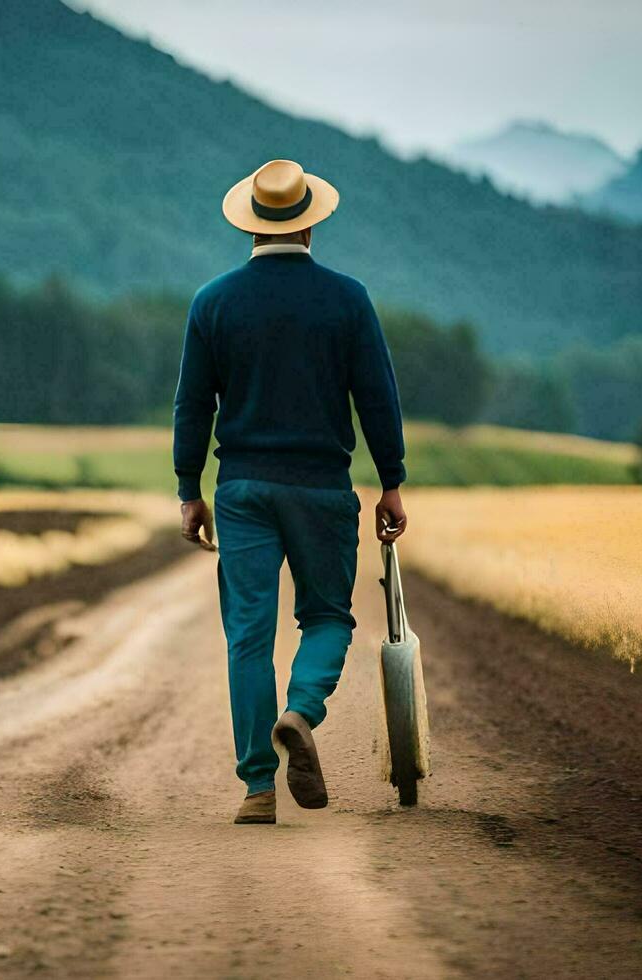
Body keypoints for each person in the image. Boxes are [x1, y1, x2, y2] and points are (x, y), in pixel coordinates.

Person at [172, 159, 408, 825]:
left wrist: (189, 489)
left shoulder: (213, 302)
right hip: (322, 488)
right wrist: (391, 482)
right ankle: (300, 713)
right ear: (309, 223)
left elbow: (193, 407)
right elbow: (378, 399)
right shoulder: (347, 299)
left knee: (248, 634)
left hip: (243, 488)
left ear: (250, 225)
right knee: (328, 618)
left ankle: (257, 788)